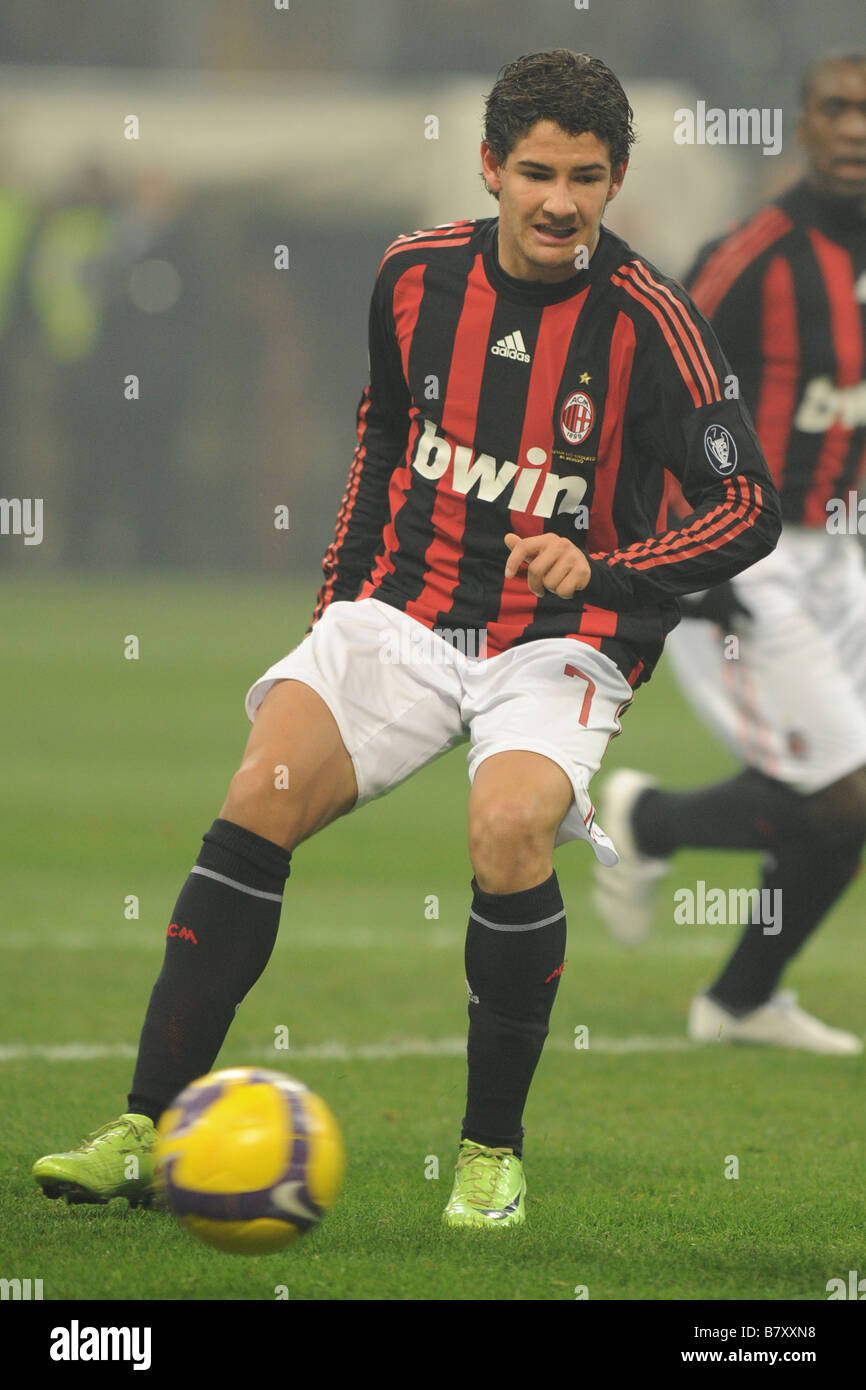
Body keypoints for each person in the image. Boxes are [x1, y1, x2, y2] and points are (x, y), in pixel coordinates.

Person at [33, 49, 780, 1229]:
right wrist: (340, 601)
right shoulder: (411, 275)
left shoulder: (653, 320)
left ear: (615, 181)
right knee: (255, 797)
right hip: (401, 612)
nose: (557, 201)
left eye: (584, 177)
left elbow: (750, 509)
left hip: (562, 636)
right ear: (489, 167)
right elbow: (383, 435)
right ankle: (146, 1125)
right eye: (534, 171)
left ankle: (490, 1155)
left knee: (509, 826)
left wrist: (610, 566)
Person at [595, 52, 866, 1056]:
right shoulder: (753, 252)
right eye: (835, 108)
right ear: (802, 123)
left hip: (844, 552)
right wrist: (681, 559)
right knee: (841, 793)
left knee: (843, 801)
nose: (853, 128)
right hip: (744, 558)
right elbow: (649, 386)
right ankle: (652, 822)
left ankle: (738, 996)